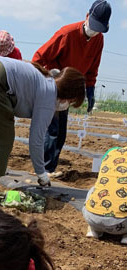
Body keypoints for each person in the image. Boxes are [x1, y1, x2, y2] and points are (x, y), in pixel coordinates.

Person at [0, 56, 85, 191]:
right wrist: (42, 174)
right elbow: (36, 140)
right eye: (71, 102)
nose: (67, 106)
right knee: (2, 134)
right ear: (69, 95)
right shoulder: (49, 96)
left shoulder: (44, 79)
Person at [32, 1, 111, 175]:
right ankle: (44, 170)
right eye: (93, 26)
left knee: (61, 133)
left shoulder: (99, 39)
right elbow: (38, 56)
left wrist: (90, 89)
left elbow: (93, 67)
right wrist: (41, 80)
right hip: (54, 85)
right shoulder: (67, 34)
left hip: (70, 90)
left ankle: (50, 167)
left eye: (99, 29)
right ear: (87, 16)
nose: (95, 31)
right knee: (51, 130)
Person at [83, 147, 127, 244]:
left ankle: (94, 230)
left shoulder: (112, 151)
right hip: (123, 224)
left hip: (92, 218)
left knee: (95, 188)